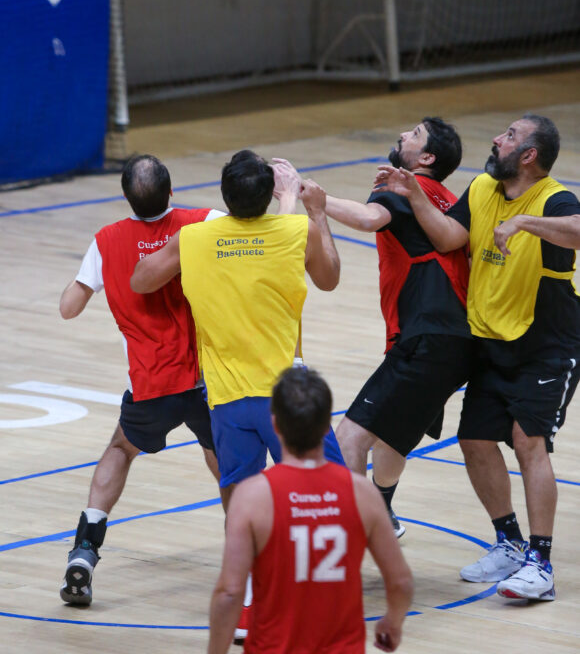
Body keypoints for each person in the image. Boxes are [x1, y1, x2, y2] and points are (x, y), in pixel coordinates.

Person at [131, 149, 341, 638]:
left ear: (223, 195)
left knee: (242, 504)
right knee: (326, 493)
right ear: (269, 194)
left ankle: (250, 603)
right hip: (287, 400)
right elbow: (329, 278)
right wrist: (311, 210)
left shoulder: (194, 238)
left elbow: (141, 280)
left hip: (226, 400)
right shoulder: (296, 231)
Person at [374, 114, 580, 601]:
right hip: (491, 339)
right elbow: (450, 237)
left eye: (509, 136)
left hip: (547, 344)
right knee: (475, 441)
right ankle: (509, 543)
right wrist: (415, 194)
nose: (496, 139)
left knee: (528, 442)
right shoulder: (484, 188)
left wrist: (524, 222)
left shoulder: (554, 198)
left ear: (529, 155)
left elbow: (577, 230)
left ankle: (540, 564)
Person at [276, 117, 472, 539]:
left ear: (426, 158)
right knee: (393, 438)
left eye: (414, 134)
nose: (402, 134)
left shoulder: (401, 188)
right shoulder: (449, 201)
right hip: (458, 342)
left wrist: (314, 199)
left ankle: (350, 534)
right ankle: (381, 507)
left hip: (425, 335)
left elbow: (368, 218)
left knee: (349, 438)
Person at [59, 154, 225, 607]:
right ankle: (249, 556)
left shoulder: (106, 241)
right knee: (225, 460)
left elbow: (68, 308)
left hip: (150, 385)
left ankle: (85, 550)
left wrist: (91, 276)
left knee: (120, 449)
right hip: (206, 379)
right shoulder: (203, 222)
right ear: (171, 192)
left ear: (126, 197)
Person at [208, 366, 414, 654]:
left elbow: (229, 593)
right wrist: (393, 622)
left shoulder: (252, 497)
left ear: (275, 424)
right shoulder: (362, 493)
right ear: (326, 425)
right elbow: (401, 582)